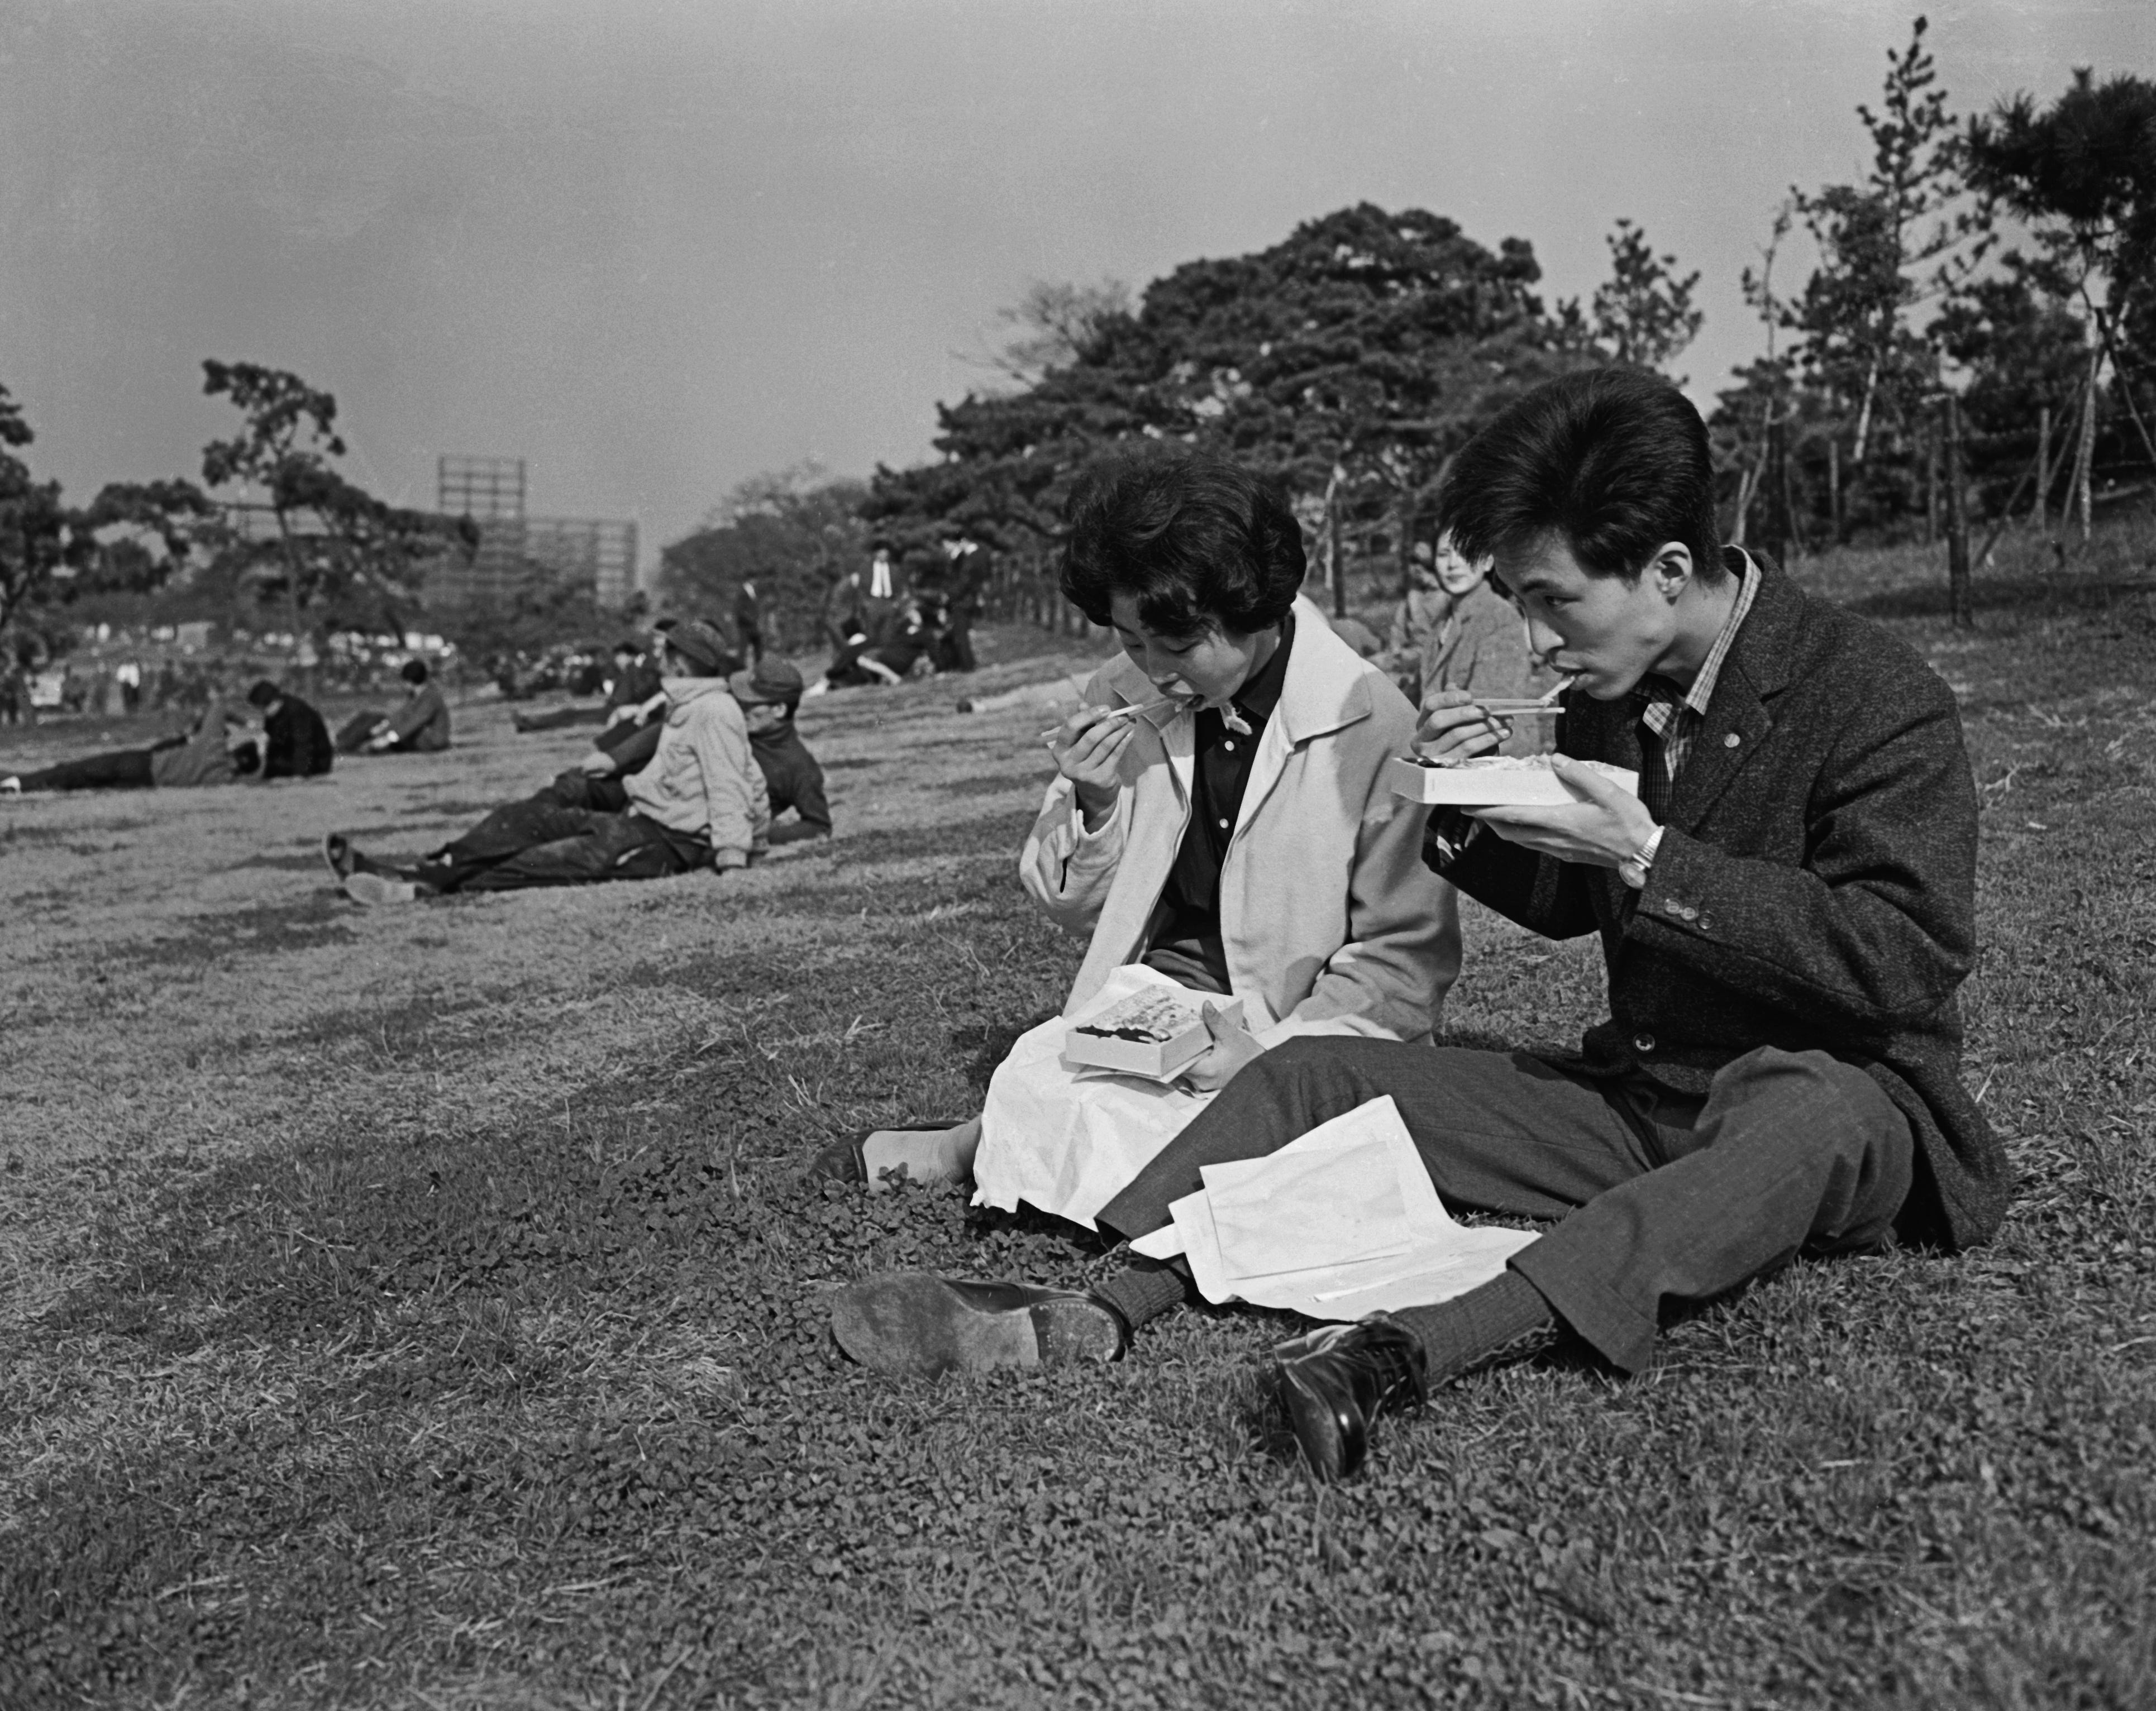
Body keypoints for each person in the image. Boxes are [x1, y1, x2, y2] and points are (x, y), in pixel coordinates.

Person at [829, 369, 2006, 1485]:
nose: (1535, 640)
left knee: (1808, 1115)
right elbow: (1568, 902)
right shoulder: (1613, 690)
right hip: (1647, 1098)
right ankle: (1101, 1303)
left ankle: (1395, 1357)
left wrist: (1650, 855)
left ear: (1665, 567)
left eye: (1551, 601)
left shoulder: (1875, 692)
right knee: (1323, 1072)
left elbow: (1900, 960)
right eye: (1518, 601)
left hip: (1836, 1100)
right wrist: (1464, 809)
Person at [814, 449, 1459, 1226]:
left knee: (1216, 1129)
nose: (1152, 671)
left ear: (1253, 608)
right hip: (1153, 1005)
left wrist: (1274, 1056)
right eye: (1130, 642)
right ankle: (991, 1145)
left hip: (1291, 1019)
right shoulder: (1122, 694)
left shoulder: (1371, 719)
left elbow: (1399, 958)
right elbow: (1070, 905)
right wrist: (1095, 801)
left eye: (1178, 647)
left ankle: (971, 1150)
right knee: (1044, 1068)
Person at [325, 620, 767, 902]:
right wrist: (613, 763)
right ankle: (427, 869)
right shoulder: (687, 706)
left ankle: (427, 890)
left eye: (666, 653)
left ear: (684, 662)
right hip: (638, 818)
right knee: (520, 820)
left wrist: (732, 858)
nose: (658, 660)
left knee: (549, 859)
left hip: (669, 841)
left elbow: (731, 783)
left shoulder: (716, 711)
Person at [3, 699, 261, 794]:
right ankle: (19, 782)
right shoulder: (223, 778)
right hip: (144, 783)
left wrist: (246, 722)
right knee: (83, 782)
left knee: (75, 771)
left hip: (143, 762)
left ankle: (19, 783)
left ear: (236, 749)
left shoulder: (213, 747)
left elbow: (219, 706)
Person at [337, 658, 451, 754]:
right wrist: (383, 726)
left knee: (377, 727)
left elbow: (414, 722)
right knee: (371, 718)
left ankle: (347, 746)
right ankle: (344, 742)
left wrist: (387, 739)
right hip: (414, 736)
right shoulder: (416, 696)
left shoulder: (430, 697)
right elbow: (401, 716)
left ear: (409, 682)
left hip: (430, 741)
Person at [245, 679, 335, 780]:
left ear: (275, 702)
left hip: (315, 761)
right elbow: (272, 739)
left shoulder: (297, 712)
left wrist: (299, 775)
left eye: (263, 709)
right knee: (248, 751)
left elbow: (302, 745)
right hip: (288, 754)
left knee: (275, 765)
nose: (263, 713)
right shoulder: (273, 713)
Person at [733, 580, 765, 663]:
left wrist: (756, 619)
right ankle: (740, 665)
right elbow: (739, 610)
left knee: (758, 645)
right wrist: (750, 619)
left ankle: (759, 665)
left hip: (753, 625)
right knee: (743, 647)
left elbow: (755, 608)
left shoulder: (753, 591)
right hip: (745, 625)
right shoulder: (742, 593)